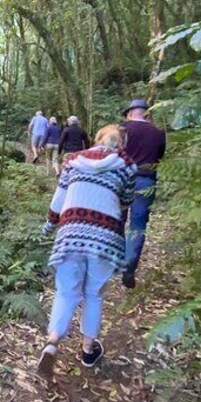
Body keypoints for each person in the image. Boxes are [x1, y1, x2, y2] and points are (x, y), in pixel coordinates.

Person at [37, 125, 136, 379]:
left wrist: (49, 225)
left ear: (97, 139)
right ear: (121, 143)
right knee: (93, 294)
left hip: (70, 235)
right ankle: (88, 350)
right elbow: (125, 203)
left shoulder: (73, 161)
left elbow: (58, 201)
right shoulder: (127, 166)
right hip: (106, 239)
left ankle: (52, 342)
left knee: (66, 292)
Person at [120, 99, 166, 289]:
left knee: (118, 220)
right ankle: (130, 263)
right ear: (146, 113)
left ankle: (116, 258)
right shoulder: (158, 133)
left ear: (130, 113)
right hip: (146, 180)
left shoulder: (121, 129)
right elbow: (160, 157)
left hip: (121, 178)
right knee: (138, 224)